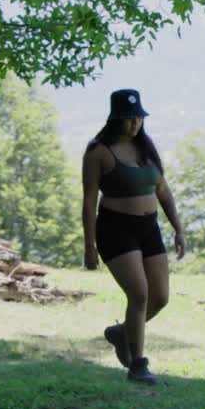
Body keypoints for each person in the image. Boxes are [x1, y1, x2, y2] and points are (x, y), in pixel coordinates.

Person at [82, 89, 185, 385]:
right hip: (116, 229)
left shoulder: (146, 147)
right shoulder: (99, 151)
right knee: (139, 294)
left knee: (160, 298)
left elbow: (162, 191)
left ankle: (120, 333)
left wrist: (177, 228)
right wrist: (89, 245)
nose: (135, 124)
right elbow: (89, 201)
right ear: (115, 119)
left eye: (138, 118)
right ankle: (138, 364)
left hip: (149, 228)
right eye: (129, 119)